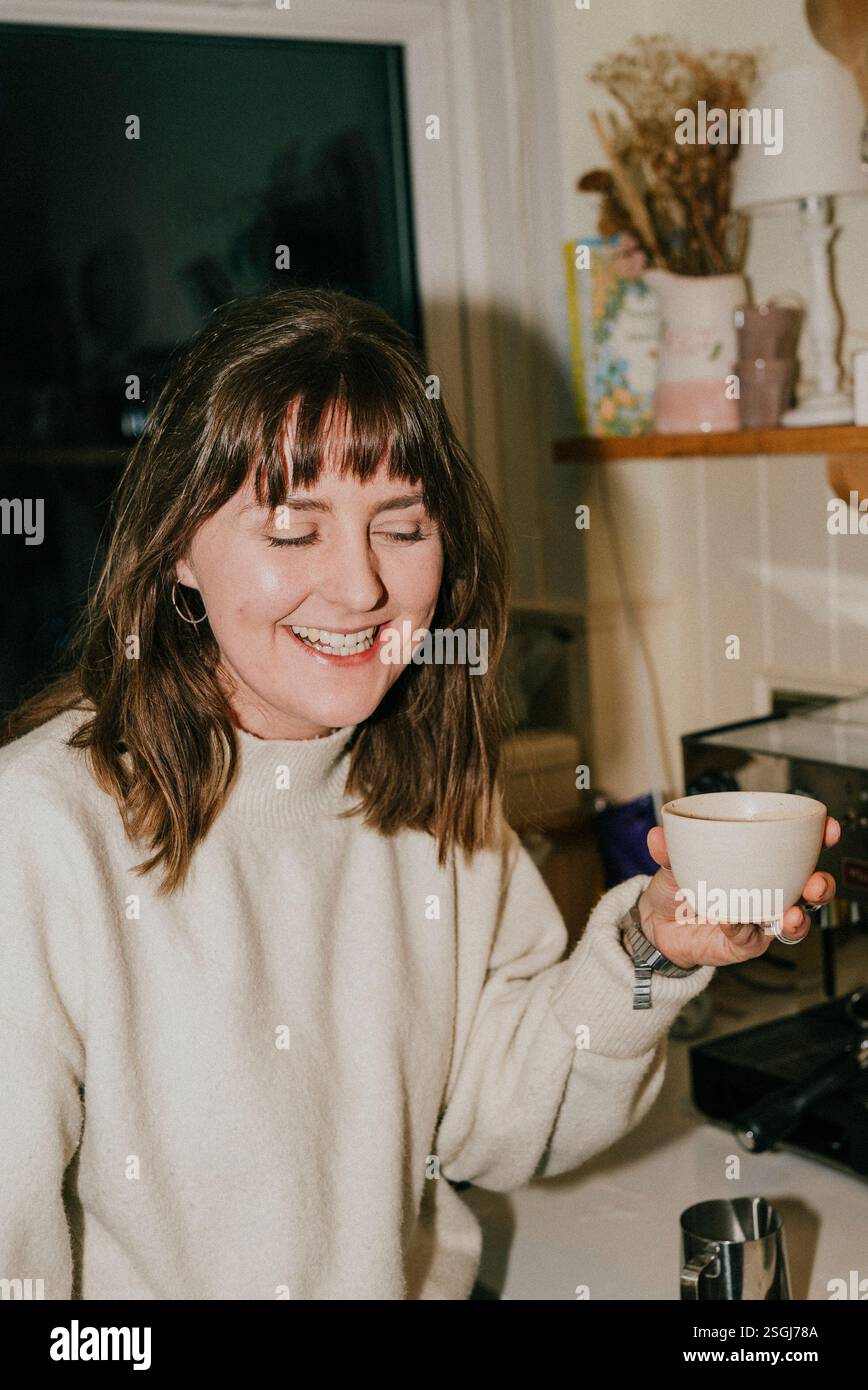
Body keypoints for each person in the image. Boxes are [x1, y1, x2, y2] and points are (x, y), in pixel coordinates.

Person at [0, 287, 838, 1301]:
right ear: (179, 543)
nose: (358, 587)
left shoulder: (430, 786)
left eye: (401, 527)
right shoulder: (41, 833)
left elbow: (490, 1126)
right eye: (291, 530)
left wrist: (655, 949)